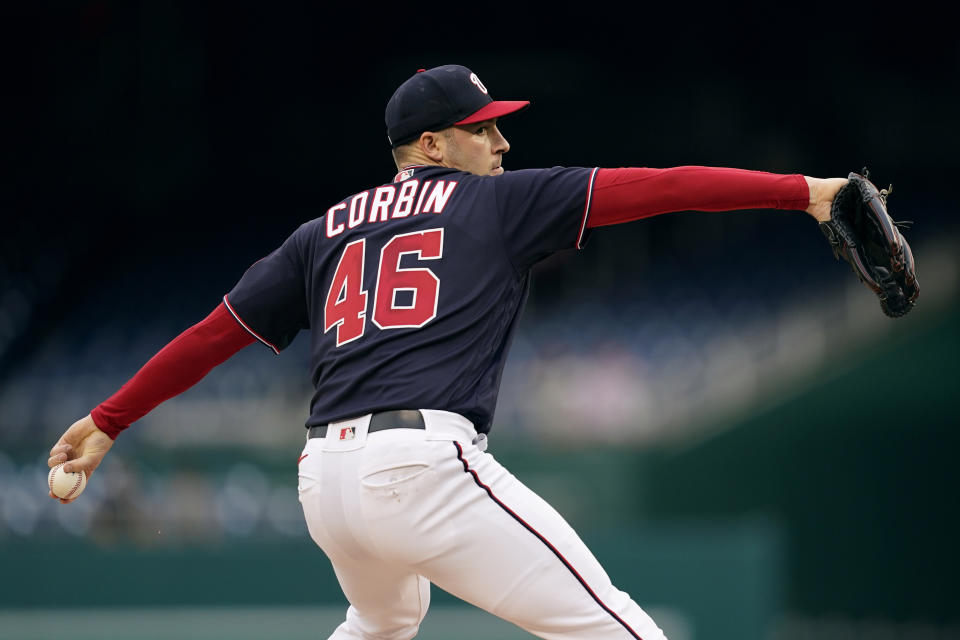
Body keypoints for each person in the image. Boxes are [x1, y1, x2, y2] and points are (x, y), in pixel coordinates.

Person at [48, 64, 847, 639]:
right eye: (484, 128)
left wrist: (110, 419)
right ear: (430, 144)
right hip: (421, 466)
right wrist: (803, 192)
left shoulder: (321, 231)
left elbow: (213, 334)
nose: (502, 142)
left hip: (324, 481)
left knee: (385, 617)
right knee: (620, 631)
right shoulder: (501, 202)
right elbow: (667, 186)